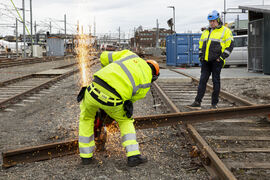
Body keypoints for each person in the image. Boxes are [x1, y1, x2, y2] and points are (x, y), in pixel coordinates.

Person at [77, 49, 160, 167]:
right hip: (113, 100)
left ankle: (86, 157)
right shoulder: (147, 83)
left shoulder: (130, 55)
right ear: (154, 76)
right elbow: (129, 101)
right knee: (126, 120)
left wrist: (107, 72)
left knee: (86, 119)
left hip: (93, 90)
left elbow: (104, 57)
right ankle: (133, 155)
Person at [189, 10, 234, 109]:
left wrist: (221, 57)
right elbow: (201, 45)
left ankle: (214, 104)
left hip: (216, 61)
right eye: (210, 21)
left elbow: (230, 46)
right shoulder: (206, 32)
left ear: (218, 20)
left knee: (215, 81)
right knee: (202, 81)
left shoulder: (225, 31)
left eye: (213, 21)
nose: (211, 23)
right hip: (206, 61)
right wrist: (201, 56)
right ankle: (197, 102)